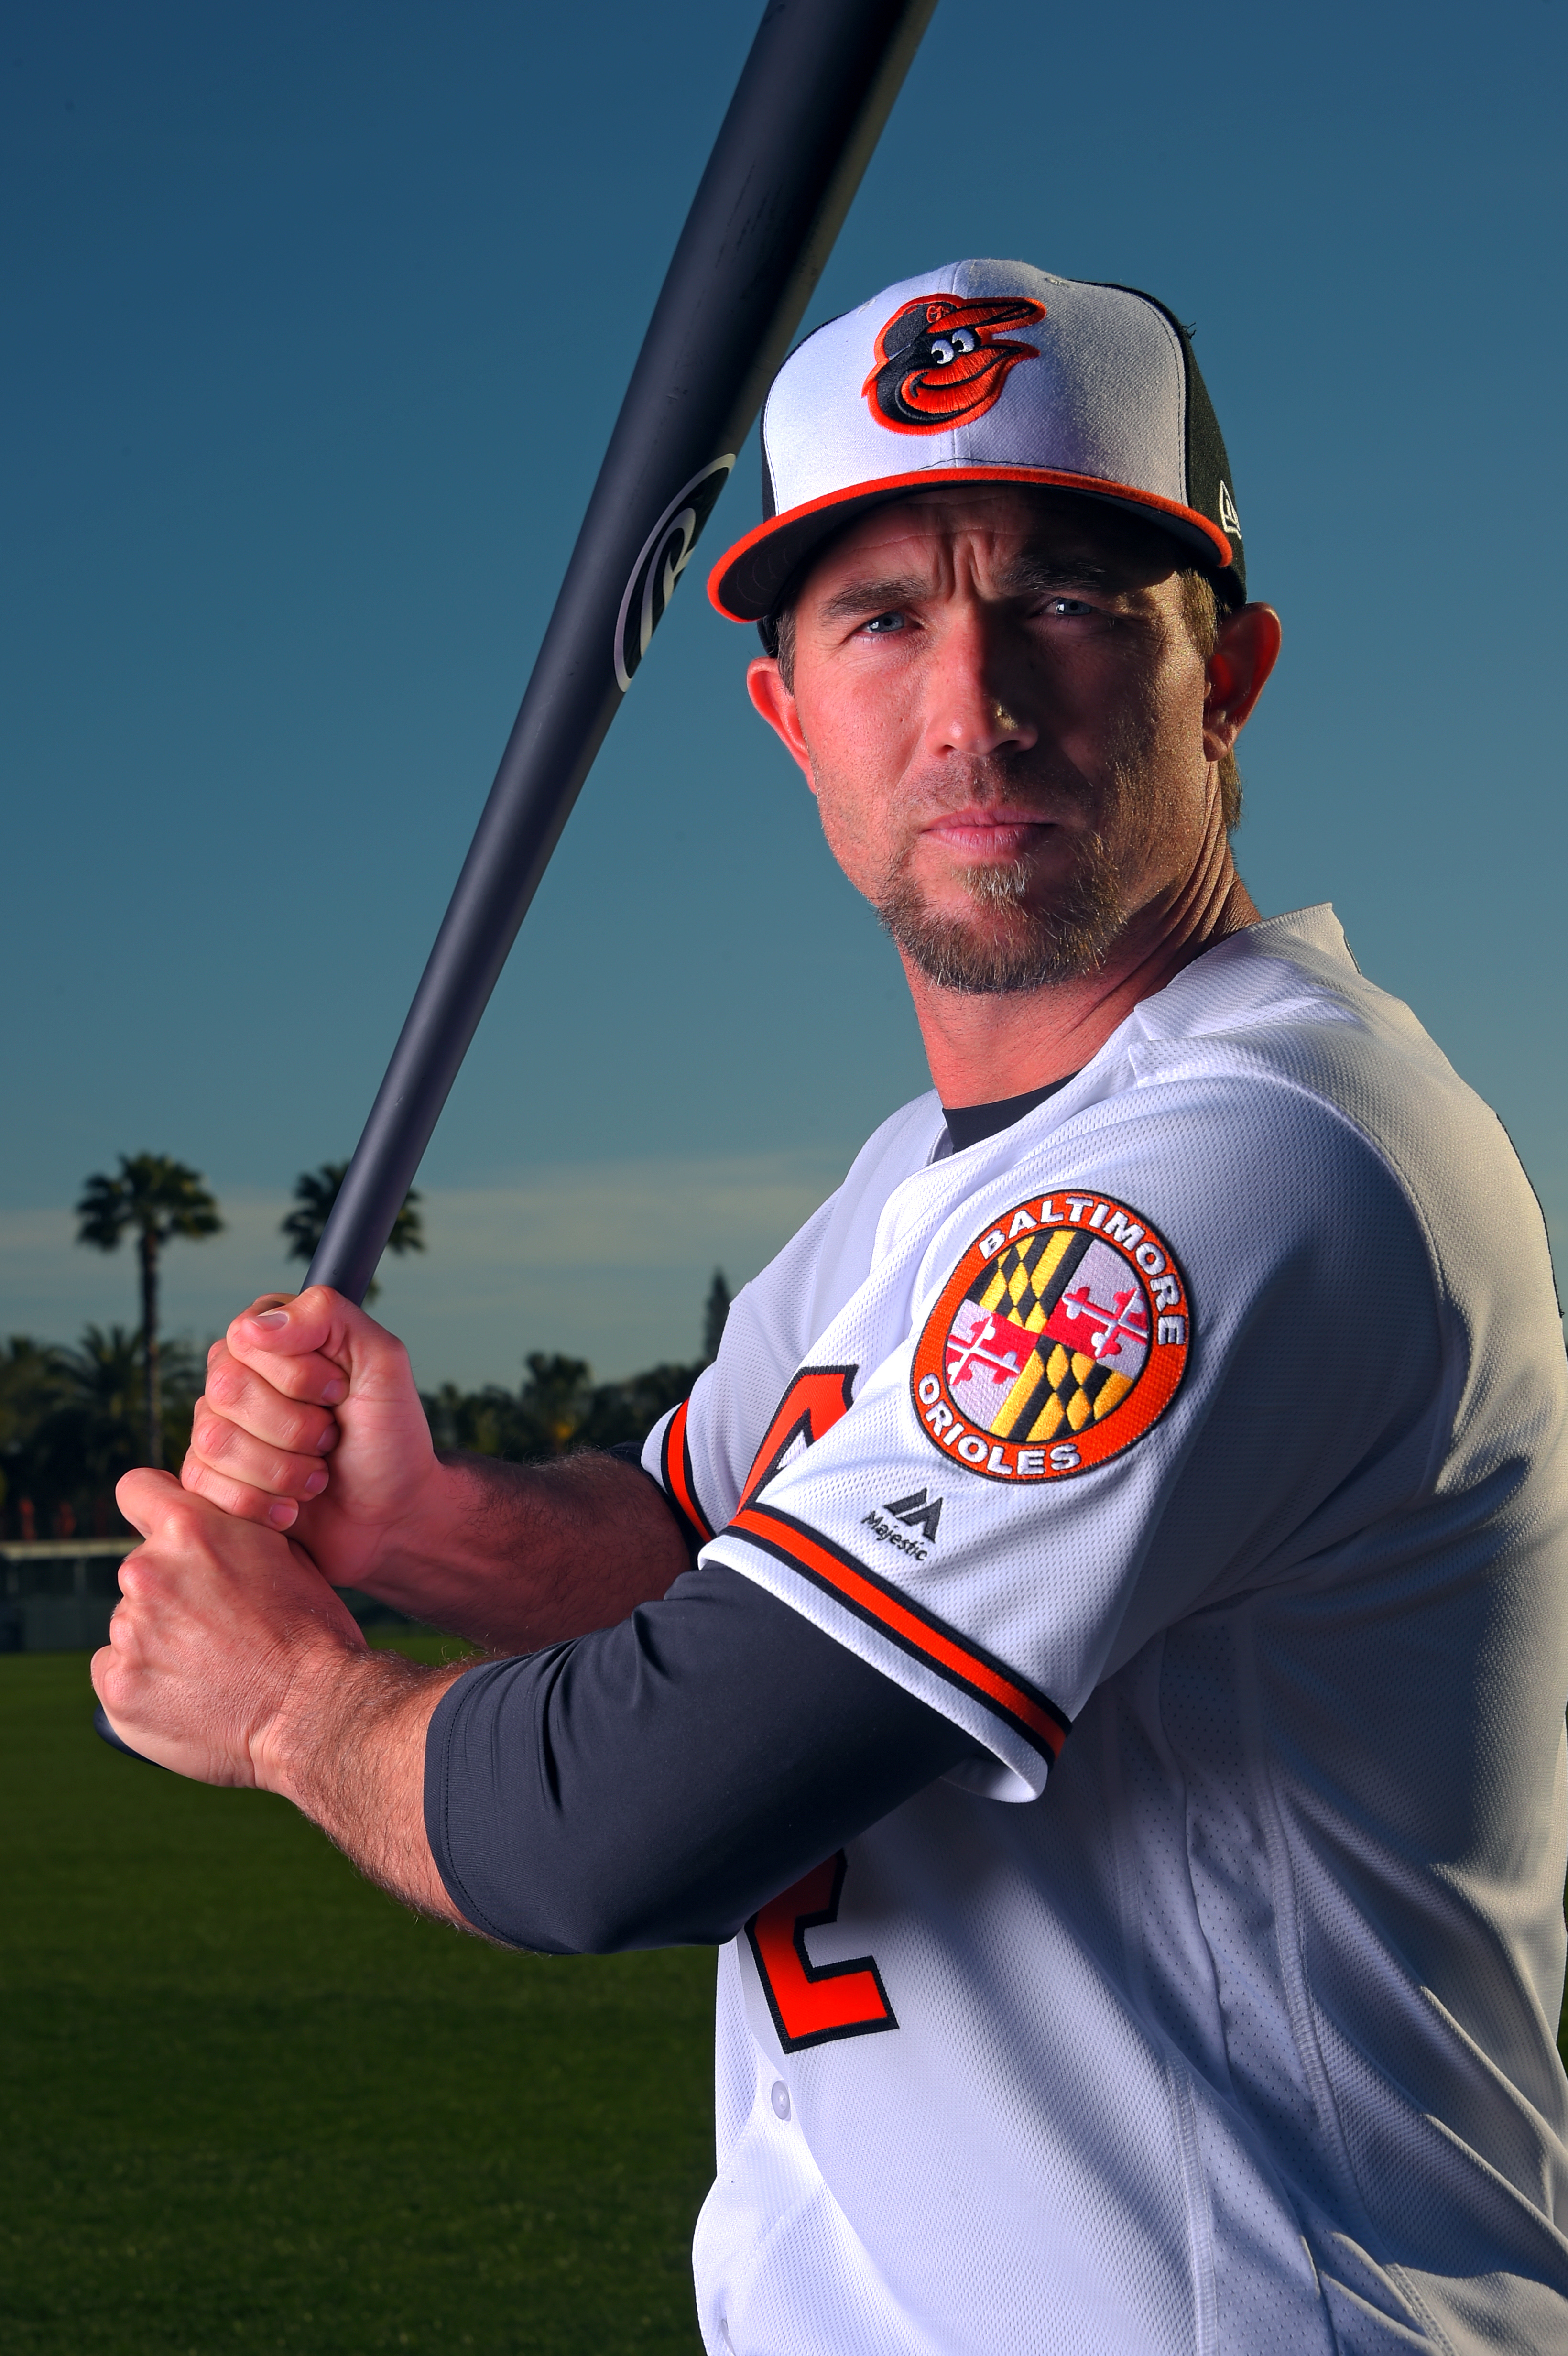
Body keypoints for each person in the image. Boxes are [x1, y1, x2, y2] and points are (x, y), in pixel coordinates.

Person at [96, 261, 1568, 2354]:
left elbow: (634, 1809)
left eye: (1062, 596)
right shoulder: (934, 1183)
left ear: (1224, 671)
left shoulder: (1246, 1164)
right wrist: (415, 1522)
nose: (970, 706)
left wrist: (287, 1705)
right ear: (789, 714)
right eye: (880, 619)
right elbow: (695, 1543)